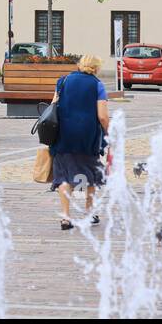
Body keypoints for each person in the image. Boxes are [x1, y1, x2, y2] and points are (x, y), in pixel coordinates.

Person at [49, 54, 109, 230]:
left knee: (64, 175)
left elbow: (53, 104)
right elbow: (103, 116)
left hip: (63, 135)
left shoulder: (63, 81)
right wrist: (109, 133)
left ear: (80, 65)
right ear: (96, 68)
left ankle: (66, 218)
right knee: (90, 174)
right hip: (88, 137)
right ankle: (89, 213)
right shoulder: (97, 85)